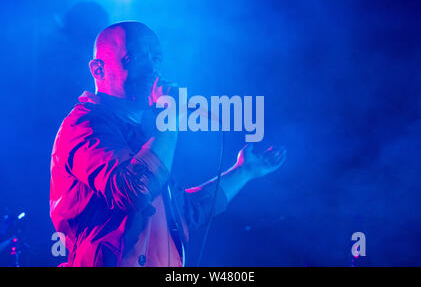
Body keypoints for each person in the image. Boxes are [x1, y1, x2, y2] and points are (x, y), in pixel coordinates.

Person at [50, 21, 286, 267]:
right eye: (135, 58)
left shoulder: (147, 137)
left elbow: (182, 212)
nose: (152, 68)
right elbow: (134, 190)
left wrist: (244, 171)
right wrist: (169, 118)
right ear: (98, 70)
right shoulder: (83, 127)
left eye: (157, 59)